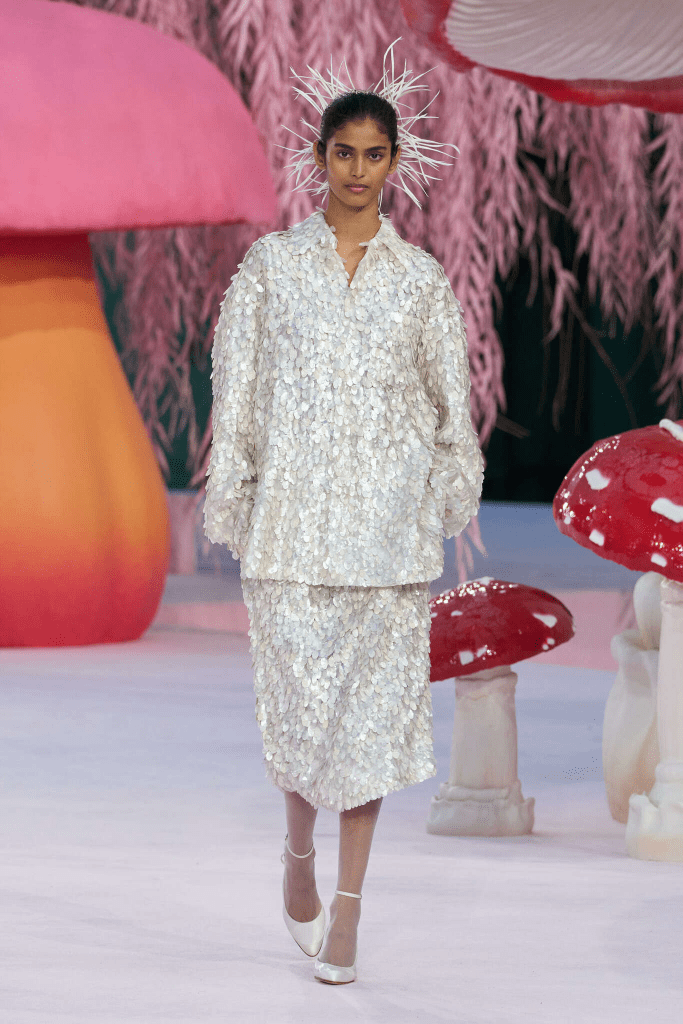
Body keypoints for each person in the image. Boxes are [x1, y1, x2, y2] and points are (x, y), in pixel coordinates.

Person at [204, 45, 483, 985]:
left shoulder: (420, 282)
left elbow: (451, 410)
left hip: (387, 540)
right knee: (299, 720)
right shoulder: (271, 270)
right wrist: (237, 497)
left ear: (395, 162)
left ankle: (351, 910)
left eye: (373, 154)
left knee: (367, 733)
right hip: (288, 535)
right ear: (318, 157)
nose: (357, 170)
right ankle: (297, 858)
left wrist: (437, 498)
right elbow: (237, 394)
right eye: (343, 152)